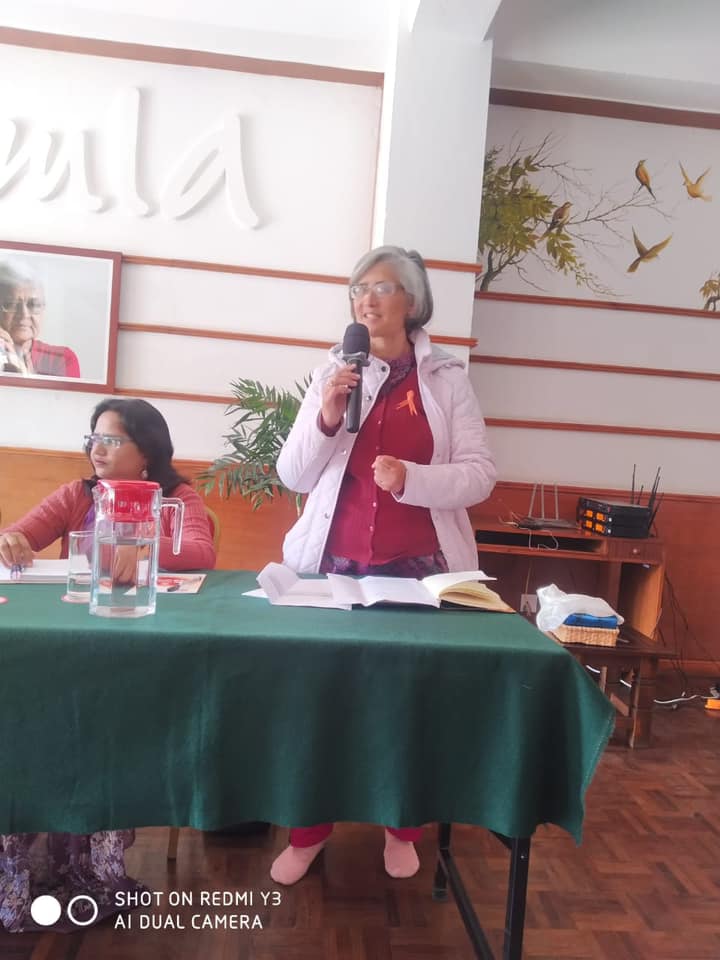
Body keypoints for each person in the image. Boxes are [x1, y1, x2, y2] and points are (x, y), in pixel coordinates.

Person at [271, 245, 496, 886]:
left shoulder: (446, 379)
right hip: (331, 566)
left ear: (412, 301)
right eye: (359, 288)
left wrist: (412, 480)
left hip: (419, 571)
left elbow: (480, 474)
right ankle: (308, 833)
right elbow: (293, 474)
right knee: (318, 706)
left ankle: (402, 828)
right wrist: (326, 417)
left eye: (383, 287)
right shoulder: (334, 371)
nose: (367, 299)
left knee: (406, 706)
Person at [0, 398, 216, 933]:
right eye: (93, 438)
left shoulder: (177, 497)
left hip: (137, 651)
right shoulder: (79, 494)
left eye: (112, 440)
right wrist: (13, 542)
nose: (97, 449)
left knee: (105, 728)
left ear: (147, 451)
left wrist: (142, 548)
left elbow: (200, 553)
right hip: (70, 644)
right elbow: (21, 536)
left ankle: (96, 860)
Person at [0, 258, 80, 378]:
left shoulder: (62, 359)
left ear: (43, 309)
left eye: (33, 305)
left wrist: (22, 372)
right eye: (11, 304)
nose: (24, 314)